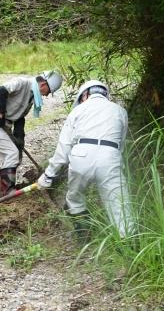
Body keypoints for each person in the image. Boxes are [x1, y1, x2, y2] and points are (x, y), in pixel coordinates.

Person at [37, 80, 134, 238]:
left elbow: (63, 148)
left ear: (85, 95)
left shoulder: (77, 111)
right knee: (119, 204)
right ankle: (129, 245)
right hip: (110, 156)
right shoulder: (119, 110)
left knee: (74, 197)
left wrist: (48, 175)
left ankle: (84, 234)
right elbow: (121, 144)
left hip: (81, 156)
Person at [0, 71, 63, 195]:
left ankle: (6, 187)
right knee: (11, 153)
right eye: (48, 92)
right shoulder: (22, 83)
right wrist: (0, 113)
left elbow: (19, 118)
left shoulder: (32, 96)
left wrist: (19, 138)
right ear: (43, 84)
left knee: (16, 154)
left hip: (3, 125)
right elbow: (1, 91)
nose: (46, 95)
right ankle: (8, 191)